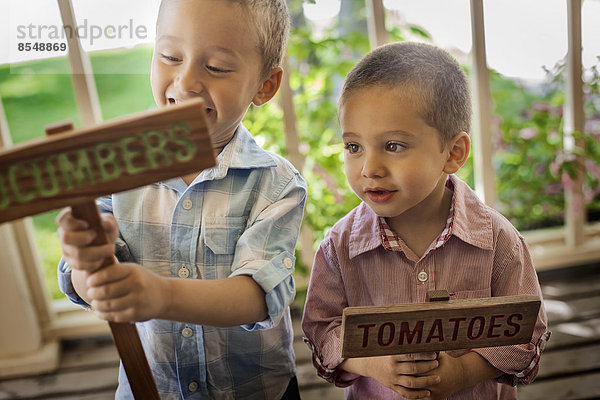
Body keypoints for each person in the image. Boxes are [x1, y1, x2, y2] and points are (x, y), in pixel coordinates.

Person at [56, 0, 306, 398]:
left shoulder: (275, 184)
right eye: (170, 56)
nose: (186, 82)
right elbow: (90, 283)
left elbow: (257, 297)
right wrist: (87, 260)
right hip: (153, 389)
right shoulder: (114, 170)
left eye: (217, 67)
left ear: (264, 86)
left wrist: (162, 295)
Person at [301, 41, 550, 400]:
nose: (369, 168)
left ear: (453, 153)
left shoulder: (500, 242)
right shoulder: (339, 248)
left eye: (393, 146)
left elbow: (527, 336)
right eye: (354, 147)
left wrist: (464, 370)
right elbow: (321, 331)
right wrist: (372, 363)